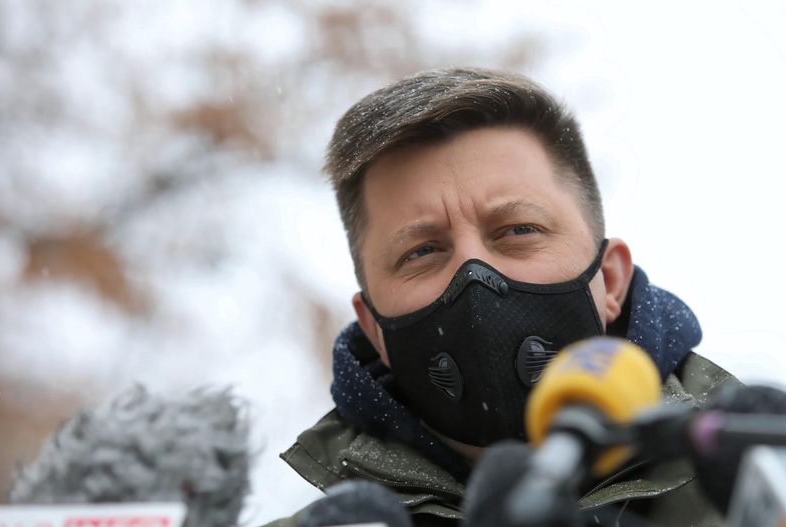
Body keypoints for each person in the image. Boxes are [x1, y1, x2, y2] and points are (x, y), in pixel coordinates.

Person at [265, 68, 738, 526]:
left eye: (518, 229)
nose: (474, 274)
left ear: (610, 281)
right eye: (422, 251)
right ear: (374, 330)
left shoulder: (758, 488)